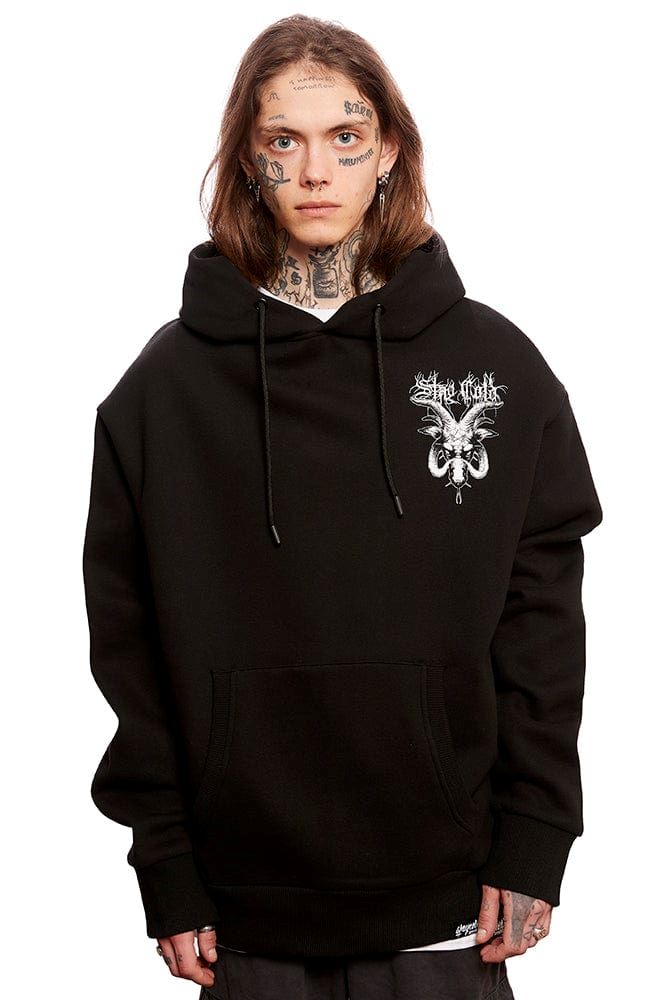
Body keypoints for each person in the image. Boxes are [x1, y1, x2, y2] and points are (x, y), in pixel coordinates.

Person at [82, 14, 603, 1000]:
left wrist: (537, 834)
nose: (314, 171)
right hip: (242, 908)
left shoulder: (495, 368)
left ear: (389, 150)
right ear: (247, 160)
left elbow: (541, 626)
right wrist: (166, 862)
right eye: (283, 140)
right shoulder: (163, 392)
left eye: (345, 137)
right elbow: (128, 644)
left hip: (450, 906)